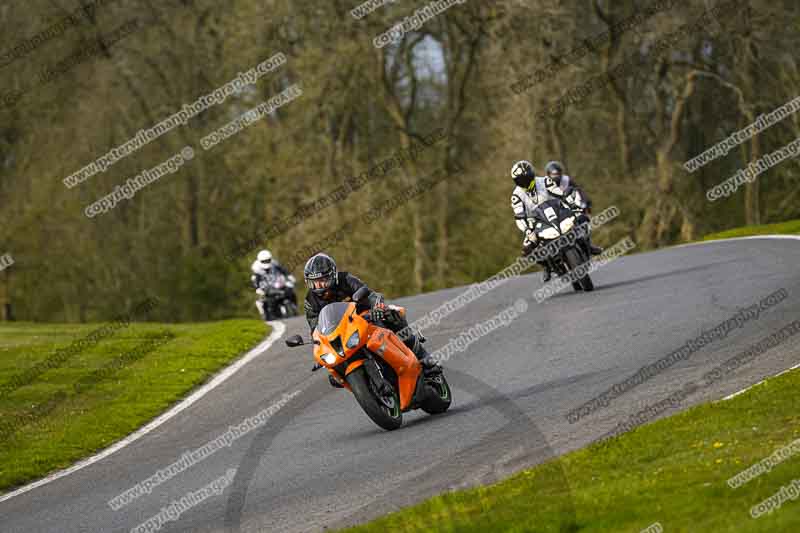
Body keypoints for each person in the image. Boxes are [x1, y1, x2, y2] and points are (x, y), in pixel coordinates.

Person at [302, 252, 440, 388]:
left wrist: (378, 307)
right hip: (342, 330)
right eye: (314, 283)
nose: (319, 286)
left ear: (332, 275)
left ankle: (425, 359)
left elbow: (369, 294)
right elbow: (316, 328)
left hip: (367, 316)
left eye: (323, 281)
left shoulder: (345, 279)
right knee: (334, 374)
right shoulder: (310, 301)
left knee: (393, 316)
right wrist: (319, 349)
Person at [543, 160, 602, 257]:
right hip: (553, 211)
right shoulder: (543, 185)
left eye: (557, 174)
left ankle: (588, 245)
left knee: (583, 219)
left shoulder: (566, 180)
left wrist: (585, 202)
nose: (555, 176)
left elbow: (579, 190)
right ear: (548, 174)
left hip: (569, 206)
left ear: (561, 173)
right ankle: (549, 257)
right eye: (553, 174)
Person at [251, 249, 296, 319]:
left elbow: (283, 270)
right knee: (264, 299)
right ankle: (265, 313)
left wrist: (289, 276)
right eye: (264, 261)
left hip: (276, 284)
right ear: (260, 261)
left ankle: (293, 305)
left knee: (290, 289)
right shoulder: (256, 269)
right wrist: (258, 288)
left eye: (268, 260)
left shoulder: (274, 263)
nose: (266, 262)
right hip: (266, 287)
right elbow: (255, 280)